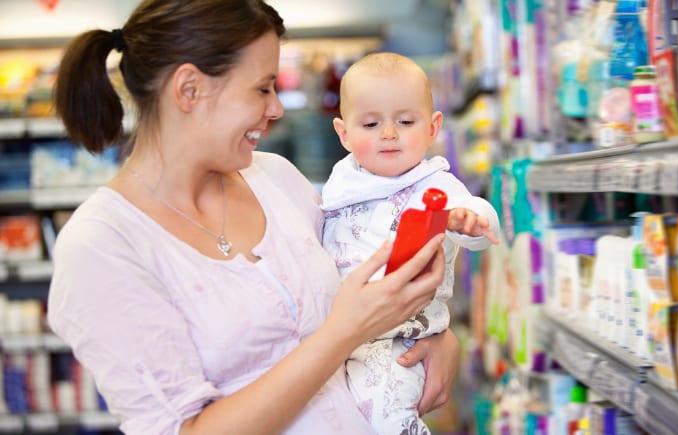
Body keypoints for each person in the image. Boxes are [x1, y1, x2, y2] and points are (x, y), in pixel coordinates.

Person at [47, 1, 462, 434]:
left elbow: (363, 281)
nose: (277, 108)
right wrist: (344, 332)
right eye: (262, 88)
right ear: (189, 89)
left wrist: (436, 337)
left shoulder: (276, 179)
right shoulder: (102, 246)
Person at [320, 52, 500, 435]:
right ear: (344, 133)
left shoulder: (433, 184)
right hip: (341, 337)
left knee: (388, 414)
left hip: (401, 338)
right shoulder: (341, 185)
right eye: (370, 123)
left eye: (405, 121)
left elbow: (473, 212)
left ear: (434, 127)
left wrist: (469, 221)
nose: (388, 133)